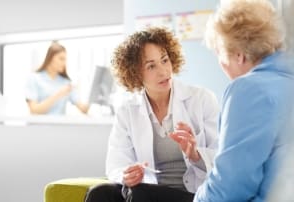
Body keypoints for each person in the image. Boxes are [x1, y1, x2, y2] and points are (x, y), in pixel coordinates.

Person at [85, 27, 219, 202]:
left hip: (193, 195)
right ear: (135, 73)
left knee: (139, 194)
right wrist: (126, 175)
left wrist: (195, 154)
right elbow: (116, 164)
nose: (163, 71)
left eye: (165, 60)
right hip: (147, 192)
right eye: (151, 66)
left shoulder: (201, 99)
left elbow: (222, 158)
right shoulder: (127, 111)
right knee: (99, 193)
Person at [194, 0, 294, 201]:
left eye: (220, 54)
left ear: (238, 55)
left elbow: (229, 188)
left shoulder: (249, 89)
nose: (221, 64)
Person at [25, 41, 89, 115]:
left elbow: (84, 109)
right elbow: (34, 110)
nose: (64, 63)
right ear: (50, 58)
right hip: (39, 126)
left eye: (65, 60)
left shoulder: (66, 82)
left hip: (59, 126)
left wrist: (93, 94)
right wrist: (59, 94)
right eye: (61, 59)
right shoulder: (34, 78)